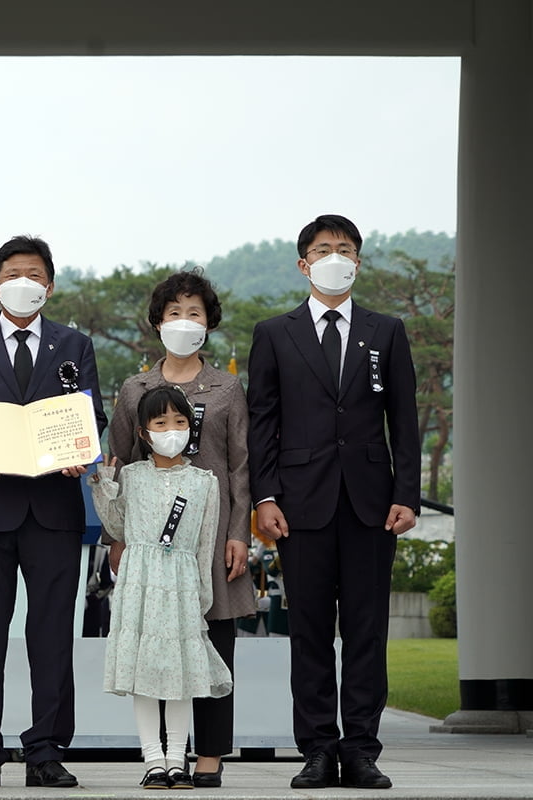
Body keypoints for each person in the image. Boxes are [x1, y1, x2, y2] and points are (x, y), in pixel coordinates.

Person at [247, 214, 419, 790]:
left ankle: (362, 749)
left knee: (368, 630)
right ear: (304, 263)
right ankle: (318, 748)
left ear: (358, 262)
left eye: (345, 249)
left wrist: (407, 495)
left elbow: (406, 422)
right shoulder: (275, 333)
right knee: (312, 631)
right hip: (300, 505)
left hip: (373, 504)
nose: (335, 257)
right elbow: (263, 421)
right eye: (324, 249)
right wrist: (265, 496)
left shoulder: (386, 330)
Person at [0, 235, 107, 789]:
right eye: (14, 273)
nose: (25, 282)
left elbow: (91, 413)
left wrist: (79, 451)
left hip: (55, 508)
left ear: (50, 286)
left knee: (52, 636)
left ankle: (46, 748)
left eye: (35, 274)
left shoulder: (75, 344)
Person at [106, 269, 256, 787]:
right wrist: (117, 539)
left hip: (212, 535)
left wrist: (240, 533)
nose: (184, 322)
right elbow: (118, 464)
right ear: (157, 323)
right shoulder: (135, 389)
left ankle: (209, 753)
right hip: (150, 541)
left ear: (208, 323)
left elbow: (240, 467)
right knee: (154, 640)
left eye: (194, 313)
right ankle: (159, 754)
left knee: (212, 636)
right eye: (174, 313)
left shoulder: (228, 388)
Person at [91, 386, 232, 790]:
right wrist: (104, 486)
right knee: (145, 672)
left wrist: (202, 596)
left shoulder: (205, 481)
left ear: (191, 427)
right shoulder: (132, 476)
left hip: (182, 585)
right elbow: (117, 527)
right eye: (161, 423)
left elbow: (206, 545)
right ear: (143, 432)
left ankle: (177, 759)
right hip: (139, 582)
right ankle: (153, 758)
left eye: (180, 422)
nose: (172, 429)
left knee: (180, 674)